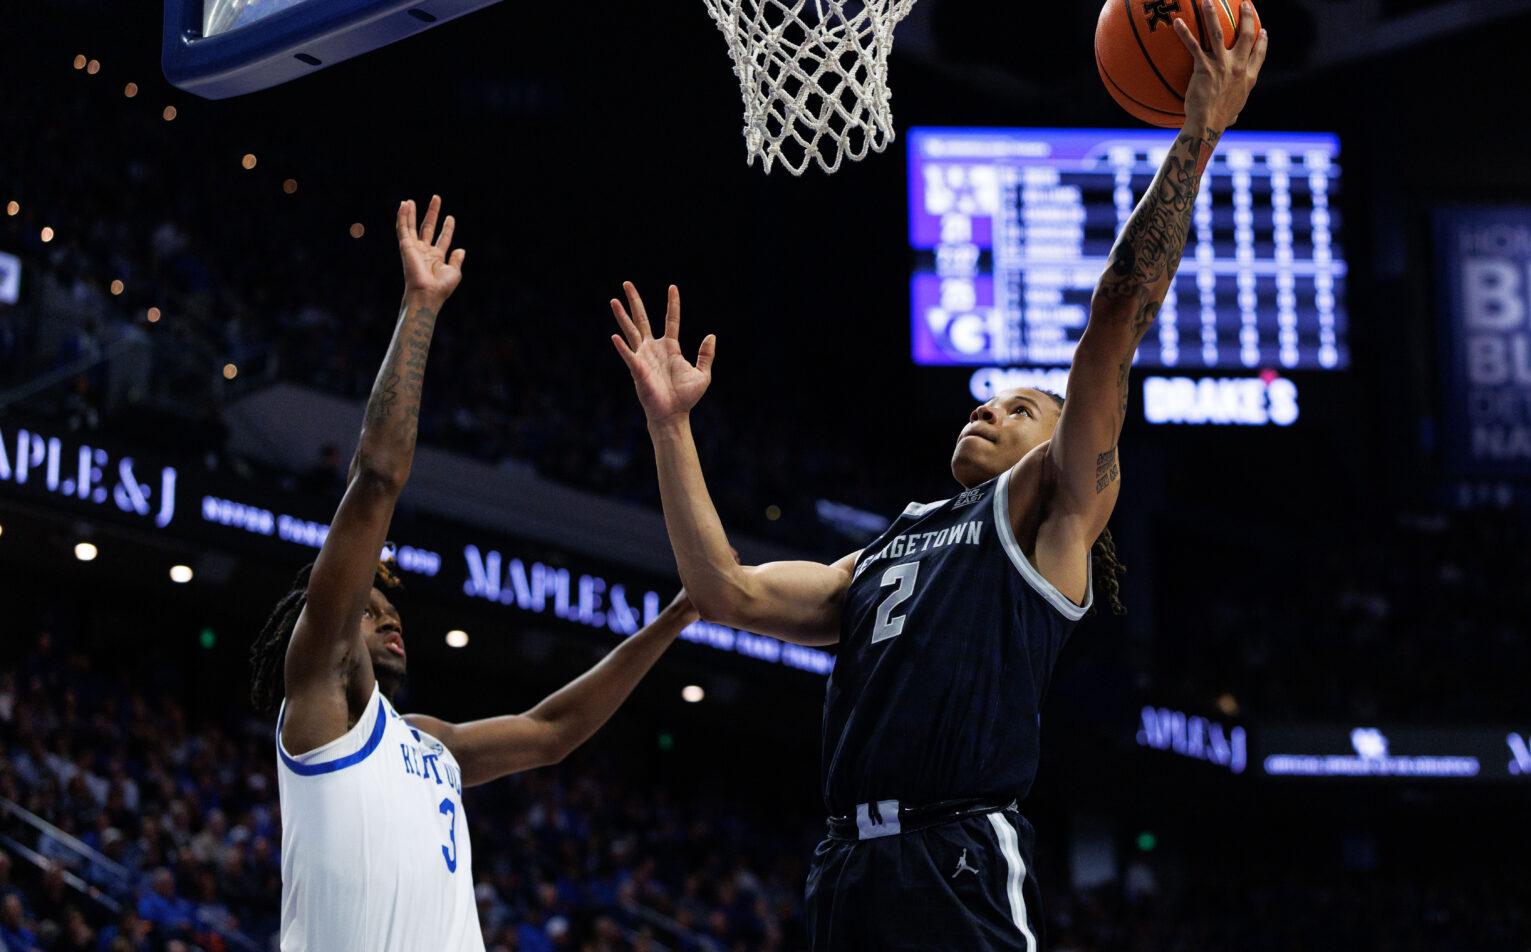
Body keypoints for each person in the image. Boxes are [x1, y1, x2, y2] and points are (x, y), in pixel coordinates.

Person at [608, 3, 1266, 946]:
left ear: (1060, 442)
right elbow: (724, 590)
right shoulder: (886, 550)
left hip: (954, 856)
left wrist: (1197, 135)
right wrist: (670, 428)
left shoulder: (1050, 518)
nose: (990, 407)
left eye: (1022, 409)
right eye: (990, 400)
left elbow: (1117, 313)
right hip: (844, 865)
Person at [250, 196, 697, 952]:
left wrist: (677, 617)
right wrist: (420, 307)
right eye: (371, 605)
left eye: (392, 606)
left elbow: (552, 731)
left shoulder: (429, 744)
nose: (391, 616)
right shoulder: (317, 700)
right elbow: (378, 477)